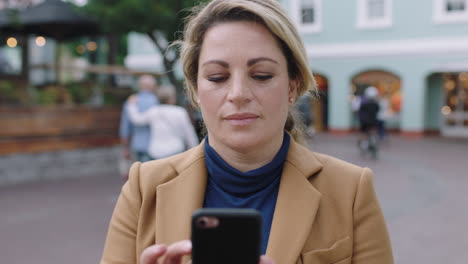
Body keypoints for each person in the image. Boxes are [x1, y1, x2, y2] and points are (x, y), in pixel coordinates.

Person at [101, 1, 394, 263]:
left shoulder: (350, 190)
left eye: (261, 75)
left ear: (292, 86)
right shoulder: (144, 189)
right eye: (218, 77)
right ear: (195, 91)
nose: (238, 93)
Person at [126, 85, 200, 159]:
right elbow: (189, 133)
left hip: (157, 153)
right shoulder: (180, 112)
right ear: (171, 98)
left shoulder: (153, 111)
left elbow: (137, 119)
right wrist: (195, 152)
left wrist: (131, 104)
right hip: (176, 150)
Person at [119, 74, 159, 164]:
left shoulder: (131, 101)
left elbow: (125, 127)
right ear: (152, 86)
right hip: (157, 145)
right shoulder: (157, 101)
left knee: (141, 173)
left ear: (139, 86)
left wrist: (125, 148)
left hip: (138, 144)